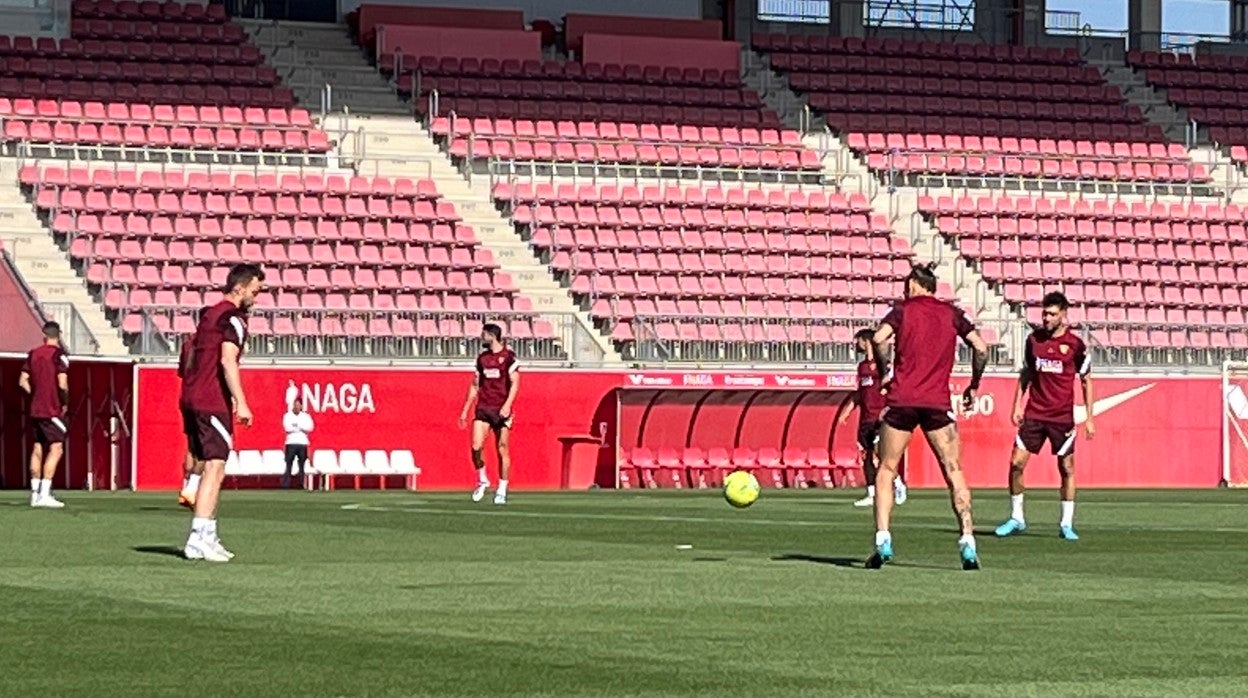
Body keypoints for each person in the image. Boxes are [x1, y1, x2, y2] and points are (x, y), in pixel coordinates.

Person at [868, 264, 990, 570]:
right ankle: (967, 540)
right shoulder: (951, 314)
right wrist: (974, 384)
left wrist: (885, 373)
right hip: (937, 402)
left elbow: (879, 338)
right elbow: (981, 346)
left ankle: (883, 537)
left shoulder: (902, 311)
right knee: (953, 470)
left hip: (903, 400)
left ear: (913, 284)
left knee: (886, 469)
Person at [180, 264, 263, 562]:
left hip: (191, 395)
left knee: (209, 465)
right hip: (211, 398)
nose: (257, 297)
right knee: (215, 467)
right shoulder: (233, 318)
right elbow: (228, 361)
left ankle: (208, 534)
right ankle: (197, 537)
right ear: (240, 288)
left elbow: (190, 354)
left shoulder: (209, 315)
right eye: (255, 291)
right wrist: (241, 401)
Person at [996, 291, 1094, 541]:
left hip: (1061, 417)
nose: (1046, 318)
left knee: (1066, 467)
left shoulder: (1075, 345)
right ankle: (1017, 518)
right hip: (1035, 414)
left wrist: (1090, 417)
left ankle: (1066, 523)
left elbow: (1086, 380)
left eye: (1051, 313)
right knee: (1016, 463)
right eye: (1044, 313)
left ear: (1063, 314)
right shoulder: (1034, 341)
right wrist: (1017, 405)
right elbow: (1026, 373)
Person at [836, 328, 907, 508]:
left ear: (866, 341)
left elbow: (893, 388)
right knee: (866, 455)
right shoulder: (862, 367)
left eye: (858, 340)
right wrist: (846, 412)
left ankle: (898, 483)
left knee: (879, 451)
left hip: (881, 416)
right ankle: (871, 493)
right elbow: (860, 394)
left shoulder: (884, 364)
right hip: (865, 418)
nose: (856, 345)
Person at [458, 323, 519, 505]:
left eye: (483, 334)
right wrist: (465, 410)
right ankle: (482, 479)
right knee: (476, 446)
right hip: (483, 408)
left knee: (502, 448)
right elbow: (475, 385)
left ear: (492, 335)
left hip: (501, 409)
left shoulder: (508, 357)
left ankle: (502, 488)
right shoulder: (482, 359)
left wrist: (508, 405)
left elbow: (515, 382)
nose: (481, 337)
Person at [19, 321, 69, 509]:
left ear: (44, 335)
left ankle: (34, 493)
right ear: (58, 336)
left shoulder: (33, 354)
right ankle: (45, 493)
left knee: (37, 447)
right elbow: (62, 383)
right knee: (56, 449)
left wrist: (35, 394)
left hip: (35, 409)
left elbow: (23, 380)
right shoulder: (59, 355)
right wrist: (64, 401)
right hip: (52, 409)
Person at [176, 335, 202, 510]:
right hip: (204, 398)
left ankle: (186, 487)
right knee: (206, 450)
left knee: (191, 446)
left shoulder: (187, 344)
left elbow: (181, 372)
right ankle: (191, 490)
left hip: (186, 397)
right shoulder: (208, 343)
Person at [281, 398, 314, 489]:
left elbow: (309, 427)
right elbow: (288, 428)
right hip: (291, 443)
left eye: (298, 405)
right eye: (295, 405)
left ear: (301, 406)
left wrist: (297, 425)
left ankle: (300, 484)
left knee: (302, 465)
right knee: (289, 464)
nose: (296, 407)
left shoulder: (306, 416)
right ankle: (286, 485)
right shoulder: (288, 416)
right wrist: (300, 427)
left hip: (302, 443)